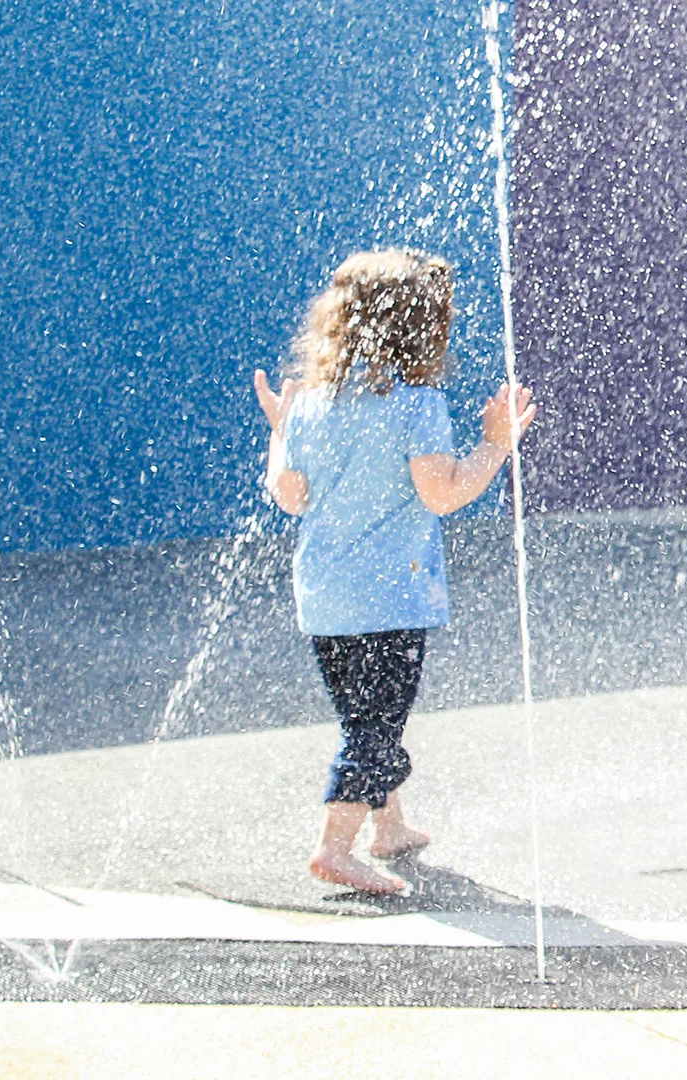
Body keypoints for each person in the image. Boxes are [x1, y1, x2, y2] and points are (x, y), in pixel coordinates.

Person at [252, 249, 536, 895]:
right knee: (376, 724)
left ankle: (388, 828)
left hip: (324, 602)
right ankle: (334, 847)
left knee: (364, 716)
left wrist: (279, 430)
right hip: (388, 601)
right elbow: (441, 493)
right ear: (422, 328)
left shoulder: (315, 403)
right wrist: (494, 443)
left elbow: (289, 495)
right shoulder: (416, 404)